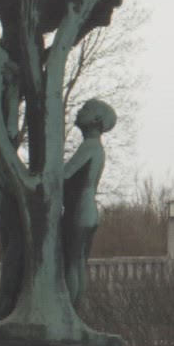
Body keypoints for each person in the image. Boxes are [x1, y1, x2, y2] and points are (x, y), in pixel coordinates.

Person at [60, 99, 116, 307]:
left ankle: (71, 310)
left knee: (72, 263)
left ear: (96, 121)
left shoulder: (90, 146)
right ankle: (75, 309)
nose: (79, 112)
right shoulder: (96, 148)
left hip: (79, 212)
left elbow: (64, 174)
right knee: (79, 263)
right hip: (88, 211)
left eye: (85, 109)